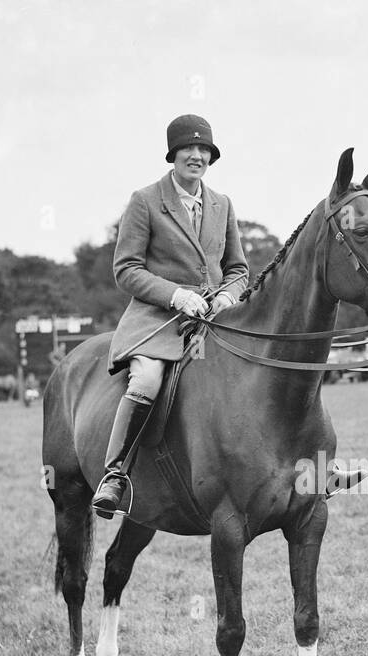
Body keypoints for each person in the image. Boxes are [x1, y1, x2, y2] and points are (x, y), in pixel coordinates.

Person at [93, 114, 249, 518]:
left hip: (213, 323)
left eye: (204, 151)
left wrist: (229, 296)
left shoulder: (223, 204)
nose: (196, 156)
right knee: (146, 379)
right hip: (158, 320)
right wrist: (176, 295)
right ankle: (115, 475)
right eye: (188, 149)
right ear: (173, 154)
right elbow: (126, 268)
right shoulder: (145, 201)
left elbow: (238, 269)